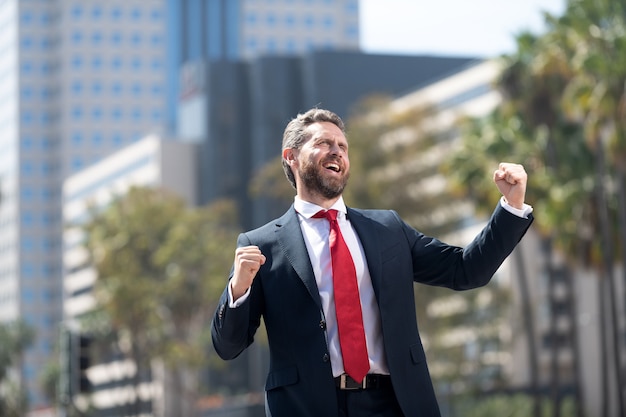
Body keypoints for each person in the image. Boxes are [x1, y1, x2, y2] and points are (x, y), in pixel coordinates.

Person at [211, 108, 533, 417]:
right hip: (307, 406)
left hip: (394, 403)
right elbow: (228, 347)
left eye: (342, 146)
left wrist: (511, 207)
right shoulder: (261, 244)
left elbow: (466, 269)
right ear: (291, 157)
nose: (336, 151)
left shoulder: (388, 229)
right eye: (323, 143)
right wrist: (238, 289)